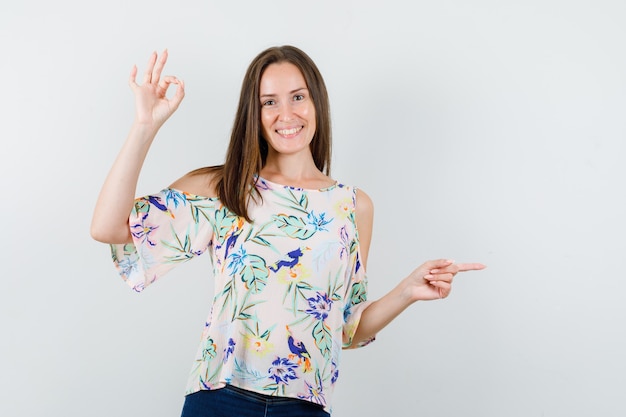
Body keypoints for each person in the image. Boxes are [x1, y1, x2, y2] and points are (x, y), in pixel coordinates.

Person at [91, 45, 485, 417]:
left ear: (316, 102)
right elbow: (108, 227)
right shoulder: (225, 188)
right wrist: (145, 125)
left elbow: (347, 327)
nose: (286, 113)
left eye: (298, 97)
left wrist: (408, 291)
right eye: (269, 102)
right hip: (221, 400)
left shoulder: (353, 206)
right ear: (254, 112)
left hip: (306, 407)